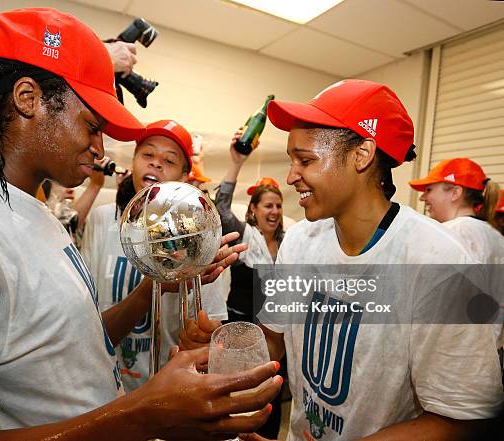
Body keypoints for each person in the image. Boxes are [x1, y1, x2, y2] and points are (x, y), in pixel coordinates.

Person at [0, 8, 282, 440]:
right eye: (92, 126)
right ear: (28, 99)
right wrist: (144, 412)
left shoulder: (31, 209)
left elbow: (75, 344)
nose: (100, 148)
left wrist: (154, 289)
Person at [252, 79, 502, 440]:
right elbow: (272, 339)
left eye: (305, 160)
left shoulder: (439, 262)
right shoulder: (298, 242)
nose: (291, 177)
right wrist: (223, 347)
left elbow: (463, 418)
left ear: (362, 154)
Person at [81, 119, 229, 391]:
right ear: (134, 161)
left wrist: (202, 340)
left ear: (184, 177)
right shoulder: (103, 220)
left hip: (166, 389)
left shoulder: (198, 237)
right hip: (102, 387)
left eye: (169, 161)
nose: (156, 163)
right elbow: (86, 313)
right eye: (147, 154)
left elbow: (212, 327)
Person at [212, 137, 285, 440]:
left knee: (270, 403)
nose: (275, 211)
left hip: (276, 340)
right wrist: (237, 163)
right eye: (268, 205)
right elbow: (220, 206)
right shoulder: (246, 235)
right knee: (238, 404)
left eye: (279, 206)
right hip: (241, 334)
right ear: (254, 209)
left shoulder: (290, 242)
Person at [408, 158, 504, 264]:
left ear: (455, 193)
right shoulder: (496, 236)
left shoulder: (446, 234)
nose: (422, 198)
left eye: (428, 190)